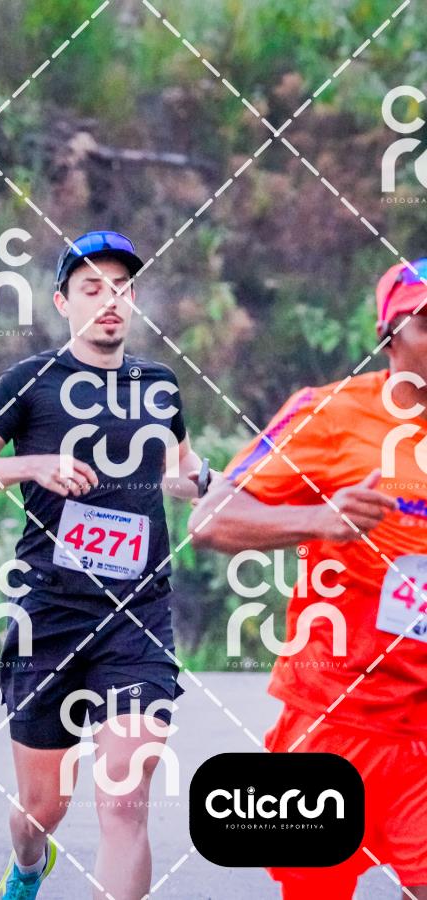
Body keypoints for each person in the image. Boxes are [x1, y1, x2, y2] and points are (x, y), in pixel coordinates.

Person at [0, 231, 207, 900]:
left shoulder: (158, 385)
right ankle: (30, 865)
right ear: (63, 301)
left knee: (124, 799)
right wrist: (32, 465)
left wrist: (213, 482)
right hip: (49, 617)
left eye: (120, 288)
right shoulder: (29, 382)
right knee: (42, 810)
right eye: (92, 288)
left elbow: (177, 471)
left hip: (136, 618)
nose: (108, 301)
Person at [189, 259, 427, 900]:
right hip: (334, 723)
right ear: (389, 336)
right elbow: (210, 519)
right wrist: (320, 519)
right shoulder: (329, 413)